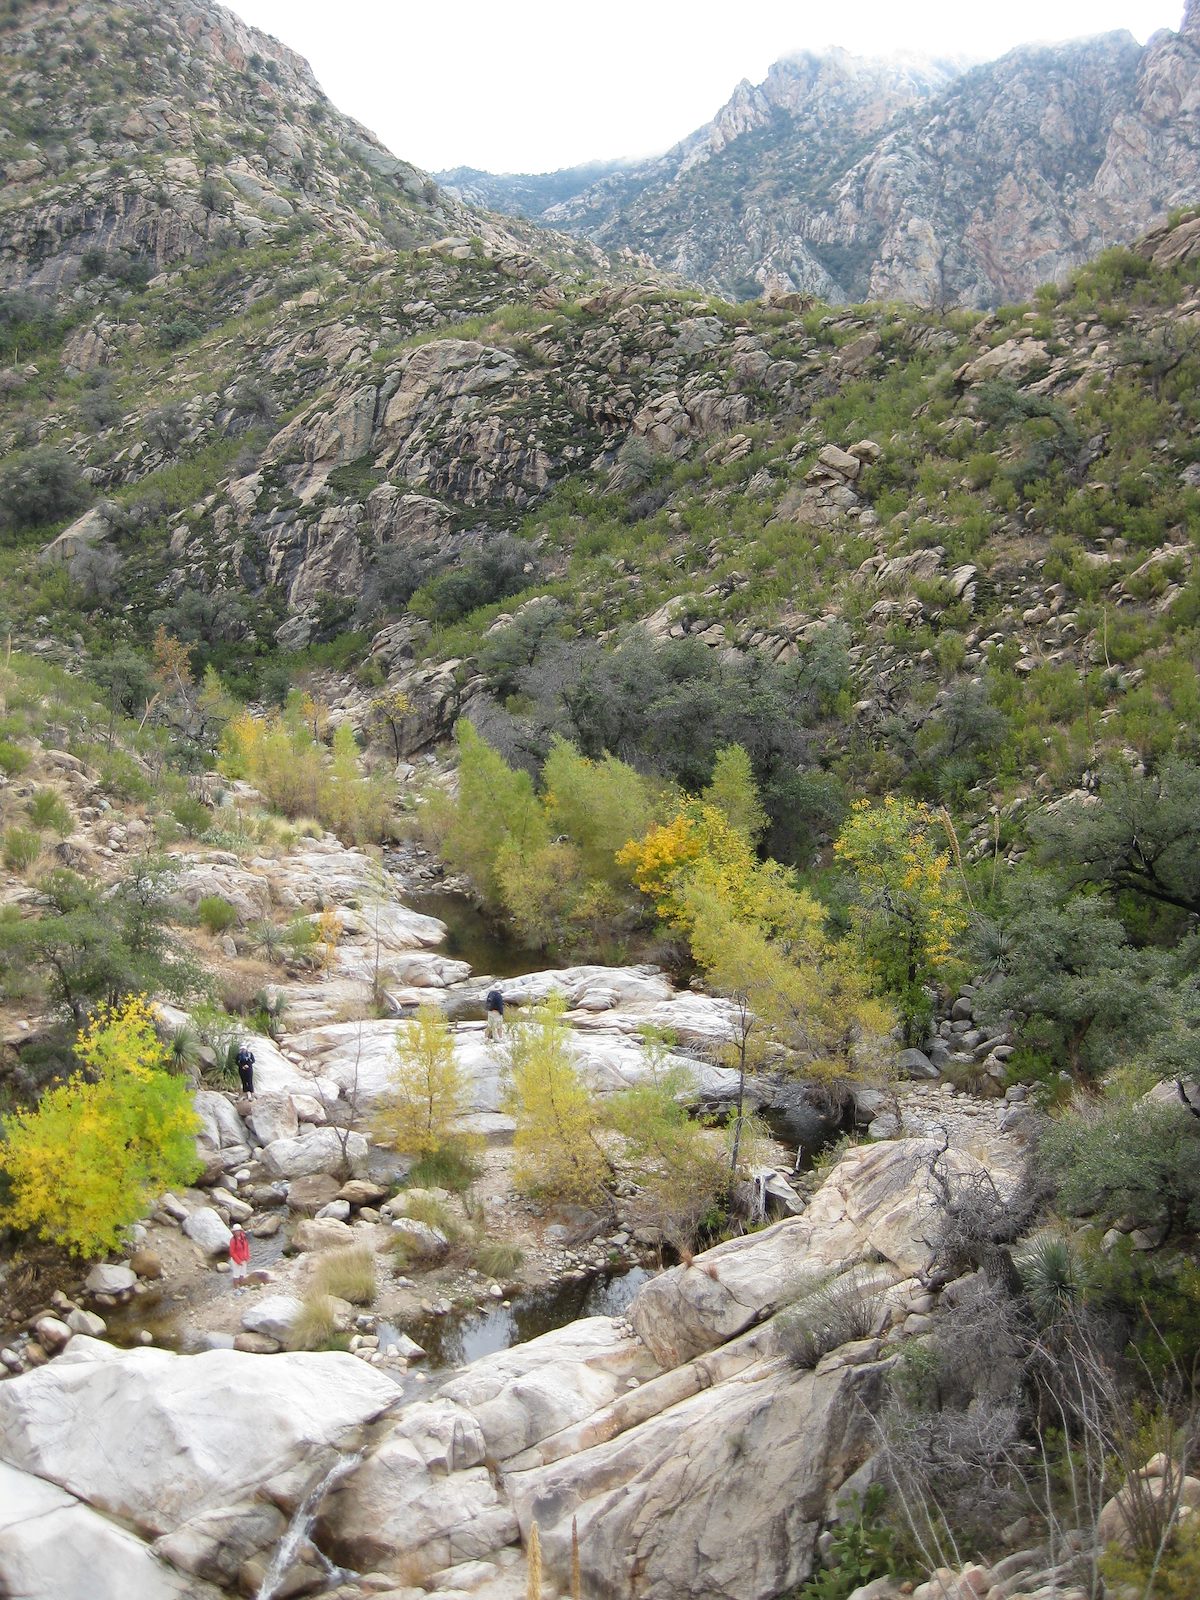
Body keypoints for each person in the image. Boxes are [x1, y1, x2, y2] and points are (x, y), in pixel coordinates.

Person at [229, 1223, 250, 1289]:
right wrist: (238, 1261)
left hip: (244, 1259)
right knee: (236, 1274)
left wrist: (247, 1257)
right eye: (236, 1231)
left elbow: (246, 1247)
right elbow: (232, 1252)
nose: (237, 1232)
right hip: (236, 1260)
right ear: (234, 1232)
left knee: (243, 1273)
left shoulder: (243, 1237)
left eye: (238, 1230)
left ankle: (241, 1285)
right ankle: (236, 1287)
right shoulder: (233, 1240)